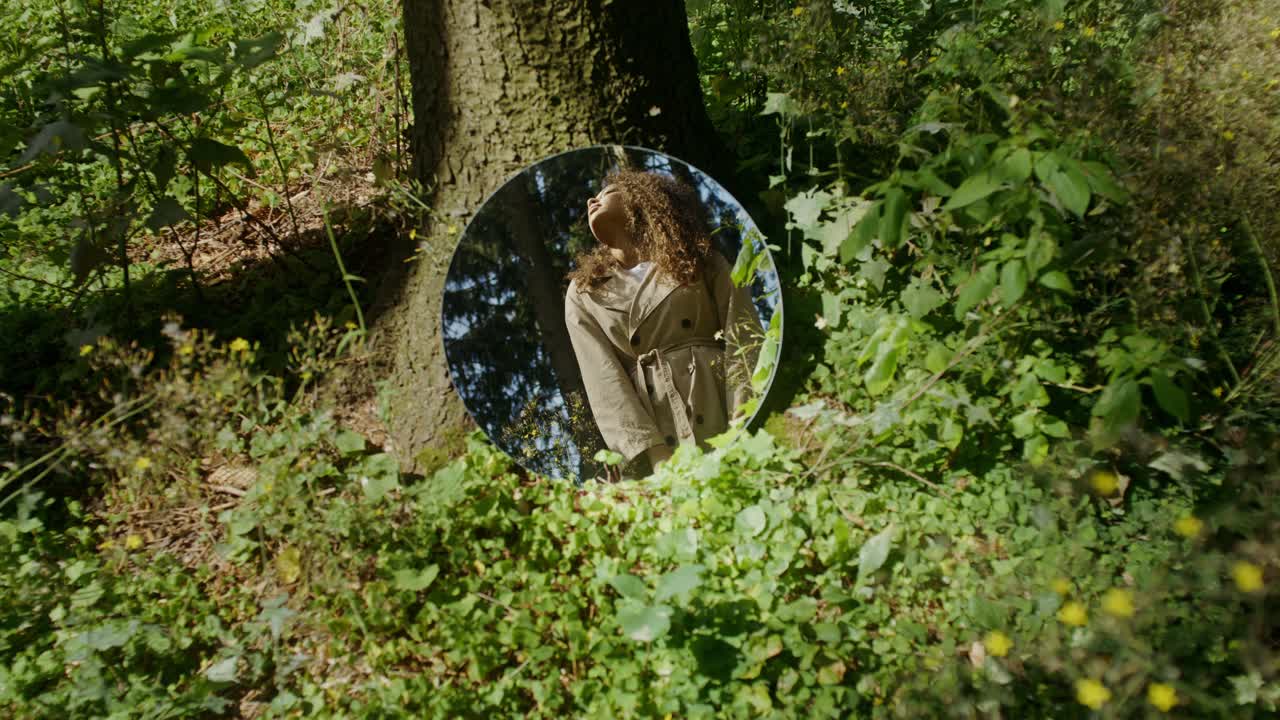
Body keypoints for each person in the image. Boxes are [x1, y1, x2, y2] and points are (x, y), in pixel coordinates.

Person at [563, 169, 761, 476]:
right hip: (654, 421)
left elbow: (742, 333)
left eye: (607, 193)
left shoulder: (697, 254)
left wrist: (742, 418)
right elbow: (603, 381)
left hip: (718, 398)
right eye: (593, 196)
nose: (593, 200)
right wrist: (655, 456)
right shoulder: (584, 290)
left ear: (640, 199)